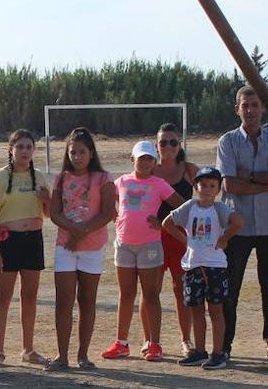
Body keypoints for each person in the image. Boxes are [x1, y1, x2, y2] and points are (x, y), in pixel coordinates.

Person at [216, 86, 268, 361]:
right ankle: (225, 345)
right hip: (237, 226)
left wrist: (251, 177)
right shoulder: (227, 142)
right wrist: (267, 180)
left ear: (263, 107)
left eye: (255, 104)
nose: (250, 110)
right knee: (231, 286)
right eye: (245, 105)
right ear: (237, 109)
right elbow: (229, 184)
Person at [101, 140, 181, 362]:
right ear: (132, 160)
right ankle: (121, 342)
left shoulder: (159, 183)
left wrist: (164, 222)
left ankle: (154, 344)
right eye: (141, 158)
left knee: (151, 294)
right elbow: (106, 199)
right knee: (126, 294)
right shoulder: (122, 181)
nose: (145, 162)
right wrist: (113, 215)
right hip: (124, 244)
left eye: (149, 158)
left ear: (154, 161)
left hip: (150, 245)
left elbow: (182, 206)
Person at [49, 127, 115, 370]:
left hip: (93, 248)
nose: (77, 157)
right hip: (65, 247)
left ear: (91, 153)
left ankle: (83, 355)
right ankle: (62, 355)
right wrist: (73, 231)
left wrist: (83, 231)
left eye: (82, 152)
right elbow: (54, 212)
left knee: (87, 300)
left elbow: (108, 212)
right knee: (63, 299)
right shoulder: (61, 179)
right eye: (73, 152)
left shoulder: (104, 178)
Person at [163, 166, 241, 370]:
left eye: (212, 185)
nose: (206, 189)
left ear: (218, 189)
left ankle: (218, 353)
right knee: (196, 310)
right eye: (202, 184)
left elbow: (238, 222)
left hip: (214, 266)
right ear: (195, 186)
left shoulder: (219, 209)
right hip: (192, 265)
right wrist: (184, 239)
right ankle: (199, 351)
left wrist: (224, 238)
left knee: (216, 311)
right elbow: (167, 223)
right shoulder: (190, 207)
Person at [0, 129, 50, 367]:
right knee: (2, 296)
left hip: (33, 240)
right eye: (20, 147)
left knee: (30, 297)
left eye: (29, 147)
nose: (24, 151)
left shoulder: (40, 177)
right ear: (11, 149)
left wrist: (47, 199)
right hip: (7, 240)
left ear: (34, 150)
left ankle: (28, 349)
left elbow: (49, 213)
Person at [153, 123, 200, 357]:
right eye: (163, 142)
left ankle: (185, 339)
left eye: (173, 142)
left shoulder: (189, 170)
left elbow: (209, 194)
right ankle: (151, 340)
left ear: (179, 145)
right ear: (156, 146)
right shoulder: (149, 169)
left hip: (181, 237)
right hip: (153, 237)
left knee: (182, 289)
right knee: (151, 290)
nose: (168, 146)